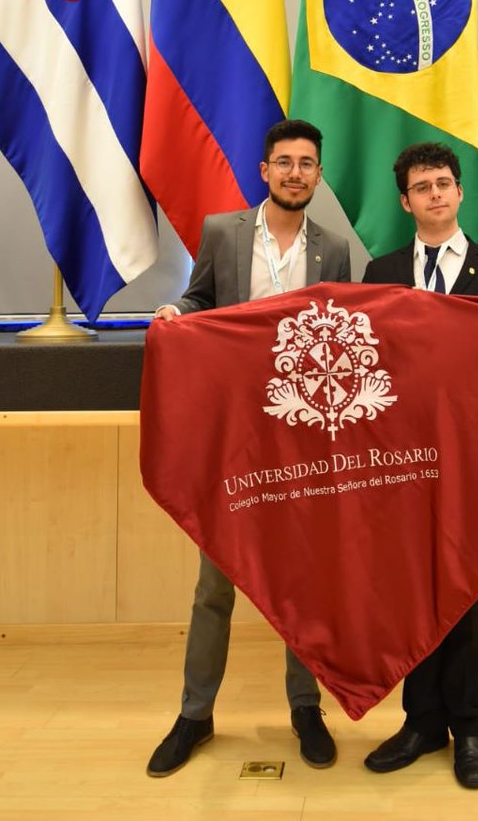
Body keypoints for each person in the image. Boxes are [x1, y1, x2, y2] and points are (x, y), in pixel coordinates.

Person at [146, 119, 351, 778]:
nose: (296, 172)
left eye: (308, 163)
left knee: (305, 582)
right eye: (284, 162)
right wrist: (178, 312)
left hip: (304, 441)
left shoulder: (334, 249)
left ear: (319, 175)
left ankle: (305, 709)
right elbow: (200, 298)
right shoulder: (222, 233)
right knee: (215, 584)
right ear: (264, 171)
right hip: (235, 438)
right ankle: (194, 715)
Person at [361, 141, 478, 791]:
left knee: (467, 591)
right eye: (423, 186)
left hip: (470, 465)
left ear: (460, 193)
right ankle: (420, 722)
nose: (436, 194)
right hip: (402, 464)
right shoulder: (378, 276)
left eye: (445, 183)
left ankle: (469, 727)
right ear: (405, 201)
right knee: (413, 594)